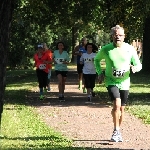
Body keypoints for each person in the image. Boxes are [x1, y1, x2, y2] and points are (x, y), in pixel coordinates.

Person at [94, 25, 142, 142]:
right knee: (116, 103)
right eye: (115, 35)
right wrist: (100, 72)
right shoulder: (106, 49)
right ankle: (116, 131)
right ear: (112, 36)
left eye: (120, 35)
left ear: (124, 36)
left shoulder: (130, 49)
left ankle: (118, 129)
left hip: (125, 82)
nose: (118, 37)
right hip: (111, 80)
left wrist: (135, 68)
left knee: (122, 109)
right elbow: (96, 60)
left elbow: (139, 64)